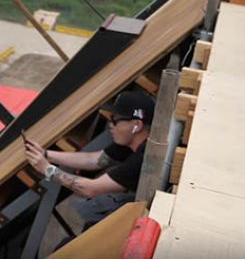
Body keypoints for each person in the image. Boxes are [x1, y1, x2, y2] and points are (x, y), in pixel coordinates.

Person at [25, 91, 155, 232]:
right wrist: (46, 154)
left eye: (115, 120)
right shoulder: (132, 141)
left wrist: (47, 170)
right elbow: (93, 160)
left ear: (137, 125)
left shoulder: (145, 158)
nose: (110, 125)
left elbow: (91, 189)